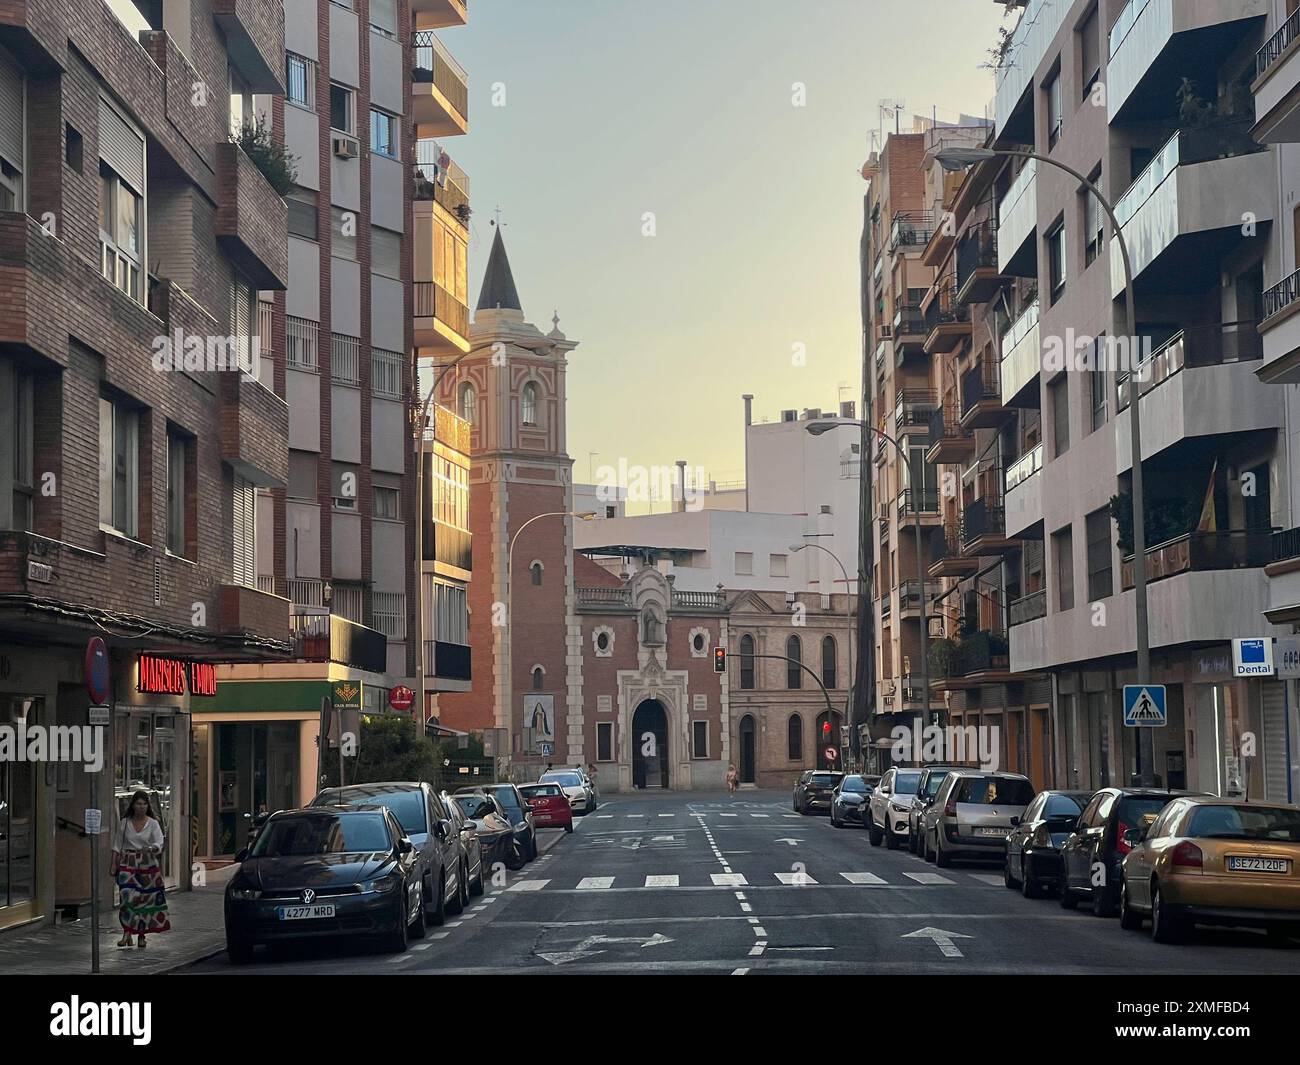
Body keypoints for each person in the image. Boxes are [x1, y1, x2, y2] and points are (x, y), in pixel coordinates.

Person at [111, 790, 171, 949]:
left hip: (147, 864)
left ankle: (142, 936)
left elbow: (159, 842)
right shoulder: (124, 823)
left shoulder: (153, 823)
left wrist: (151, 848)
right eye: (138, 803)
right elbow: (117, 845)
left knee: (144, 900)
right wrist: (113, 863)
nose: (141, 807)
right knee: (126, 898)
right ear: (133, 805)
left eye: (144, 804)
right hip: (128, 863)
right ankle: (127, 933)